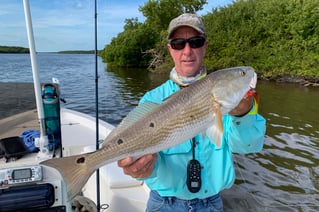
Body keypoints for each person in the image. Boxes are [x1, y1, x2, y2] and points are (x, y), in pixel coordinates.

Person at [118, 13, 266, 211]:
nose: (187, 51)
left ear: (205, 46)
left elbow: (248, 146)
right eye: (179, 43)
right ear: (170, 49)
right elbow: (147, 168)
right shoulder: (152, 100)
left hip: (212, 204)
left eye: (195, 42)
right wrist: (140, 169)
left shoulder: (232, 100)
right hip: (164, 204)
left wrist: (242, 114)